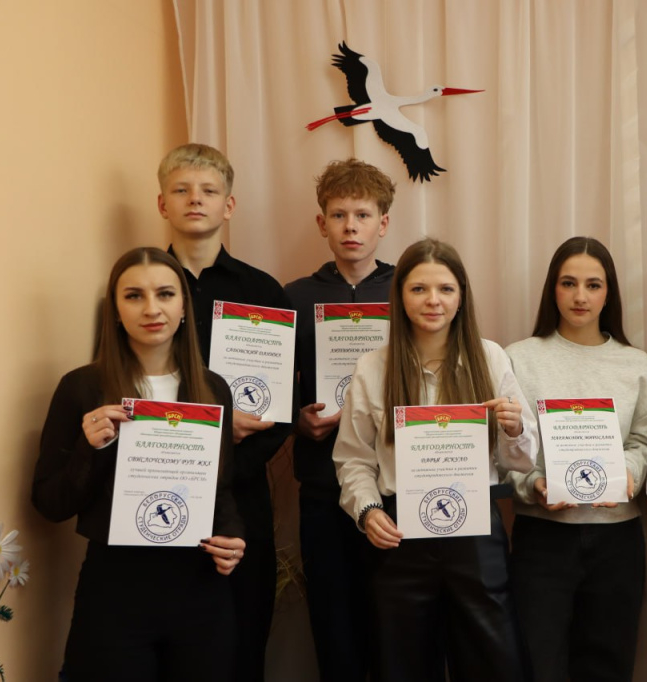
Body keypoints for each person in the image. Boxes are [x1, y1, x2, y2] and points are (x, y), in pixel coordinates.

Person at [32, 247, 245, 682]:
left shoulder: (213, 388)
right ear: (115, 309)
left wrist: (232, 537)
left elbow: (219, 488)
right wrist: (88, 448)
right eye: (134, 296)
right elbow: (49, 504)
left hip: (200, 589)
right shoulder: (81, 387)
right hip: (115, 593)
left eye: (165, 294)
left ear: (183, 307)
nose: (151, 309)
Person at [333, 237, 537, 682]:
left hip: (476, 534)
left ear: (461, 296)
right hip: (399, 536)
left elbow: (522, 462)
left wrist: (514, 428)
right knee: (401, 665)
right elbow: (353, 459)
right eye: (418, 289)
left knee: (496, 664)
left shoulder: (490, 357)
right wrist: (368, 511)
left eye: (445, 289)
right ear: (400, 296)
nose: (433, 300)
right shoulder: (372, 368)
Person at [157, 143, 293, 680]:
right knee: (170, 648)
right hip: (159, 484)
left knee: (243, 641)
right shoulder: (141, 287)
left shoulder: (262, 291)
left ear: (229, 205)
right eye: (181, 190)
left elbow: (280, 409)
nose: (195, 199)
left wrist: (231, 461)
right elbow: (124, 390)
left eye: (209, 191)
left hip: (243, 493)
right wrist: (208, 432)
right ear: (162, 203)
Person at [505, 236, 647, 682]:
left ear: (609, 293)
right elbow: (504, 452)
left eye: (593, 285)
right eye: (568, 283)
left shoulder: (636, 364)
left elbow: (644, 442)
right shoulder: (519, 358)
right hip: (543, 537)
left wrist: (627, 474)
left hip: (618, 539)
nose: (580, 296)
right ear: (552, 289)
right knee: (539, 665)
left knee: (609, 666)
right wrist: (533, 484)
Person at [284, 158, 396, 681]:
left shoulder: (409, 292)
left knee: (395, 627)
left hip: (394, 488)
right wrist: (296, 421)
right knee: (334, 627)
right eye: (339, 215)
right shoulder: (294, 297)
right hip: (323, 487)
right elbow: (272, 387)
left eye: (363, 215)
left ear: (383, 223)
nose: (351, 227)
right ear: (321, 223)